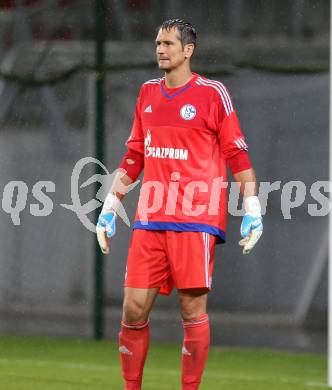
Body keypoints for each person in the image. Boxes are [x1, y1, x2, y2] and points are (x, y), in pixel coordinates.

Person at [96, 18, 263, 390]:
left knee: (191, 311)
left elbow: (236, 154)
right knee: (133, 310)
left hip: (196, 218)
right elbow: (134, 155)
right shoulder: (147, 94)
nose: (160, 49)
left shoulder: (212, 93)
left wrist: (252, 209)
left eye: (169, 43)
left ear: (188, 51)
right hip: (150, 218)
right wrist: (110, 204)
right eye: (158, 42)